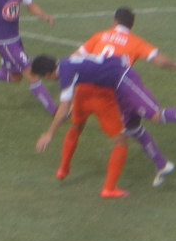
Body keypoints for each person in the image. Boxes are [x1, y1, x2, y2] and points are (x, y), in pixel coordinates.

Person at [75, 8, 176, 186]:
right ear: (131, 26)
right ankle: (162, 164)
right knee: (130, 127)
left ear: (115, 22)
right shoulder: (135, 42)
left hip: (119, 87)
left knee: (156, 115)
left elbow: (76, 58)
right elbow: (161, 61)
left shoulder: (99, 36)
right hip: (118, 89)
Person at [31, 54, 133, 198]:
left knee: (77, 127)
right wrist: (50, 133)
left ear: (47, 74)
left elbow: (64, 108)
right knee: (121, 142)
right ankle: (109, 189)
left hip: (83, 94)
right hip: (102, 97)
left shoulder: (65, 73)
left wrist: (49, 134)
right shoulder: (67, 61)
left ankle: (63, 169)